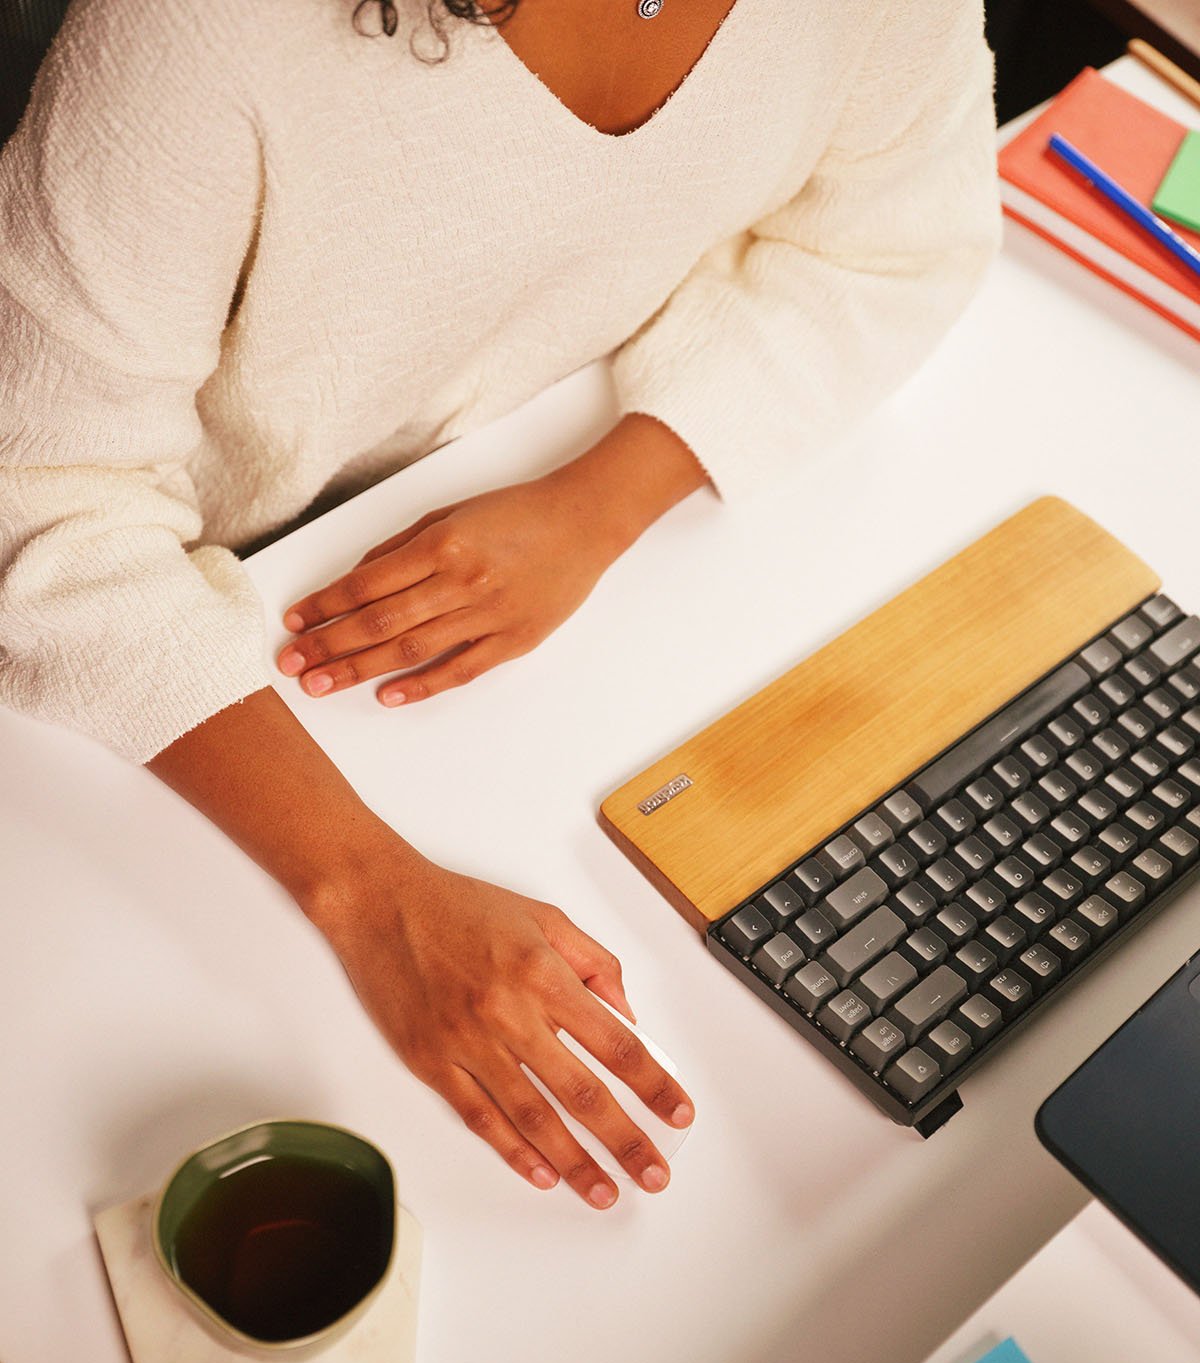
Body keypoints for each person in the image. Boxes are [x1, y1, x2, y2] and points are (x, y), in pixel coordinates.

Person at [0, 0, 1001, 1207]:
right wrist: (370, 892)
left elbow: (902, 240)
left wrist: (601, 500)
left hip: (525, 568)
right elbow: (44, 490)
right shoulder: (204, 30)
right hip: (162, 649)